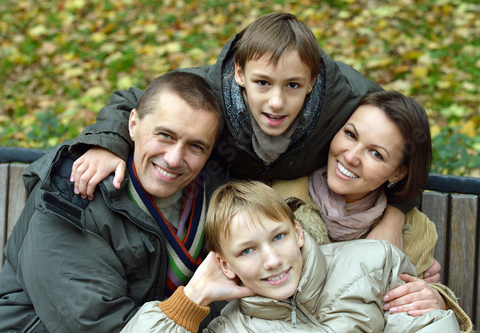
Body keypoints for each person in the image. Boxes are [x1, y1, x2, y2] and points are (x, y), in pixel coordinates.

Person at [67, 12, 413, 251]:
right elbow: (136, 102)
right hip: (225, 220)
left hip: (292, 224)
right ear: (239, 73)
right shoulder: (209, 91)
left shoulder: (347, 97)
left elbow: (407, 147)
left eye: (293, 85)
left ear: (312, 80)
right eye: (263, 83)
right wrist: (107, 143)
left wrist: (394, 218)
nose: (276, 102)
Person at [0, 71, 228, 332]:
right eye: (165, 135)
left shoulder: (209, 197)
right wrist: (196, 303)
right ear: (132, 123)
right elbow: (99, 325)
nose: (175, 159)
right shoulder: (70, 197)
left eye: (196, 146)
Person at [120, 180, 460, 332]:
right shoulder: (233, 328)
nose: (272, 260)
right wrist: (194, 297)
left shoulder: (373, 260)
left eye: (278, 237)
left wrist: (440, 306)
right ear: (224, 263)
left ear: (298, 231)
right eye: (247, 250)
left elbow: (423, 321)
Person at [272, 90, 472, 331]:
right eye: (350, 134)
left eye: (376, 153)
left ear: (398, 173)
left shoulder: (412, 229)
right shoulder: (276, 199)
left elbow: (403, 311)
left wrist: (436, 299)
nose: (351, 156)